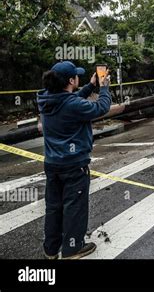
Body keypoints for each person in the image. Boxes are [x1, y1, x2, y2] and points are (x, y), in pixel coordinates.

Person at [37, 61, 111, 259]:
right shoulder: (73, 105)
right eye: (77, 76)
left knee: (54, 207)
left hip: (52, 164)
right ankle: (72, 249)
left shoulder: (46, 99)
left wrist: (89, 86)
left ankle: (50, 250)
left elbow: (68, 100)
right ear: (71, 80)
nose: (79, 77)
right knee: (74, 207)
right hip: (74, 165)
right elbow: (101, 107)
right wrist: (104, 87)